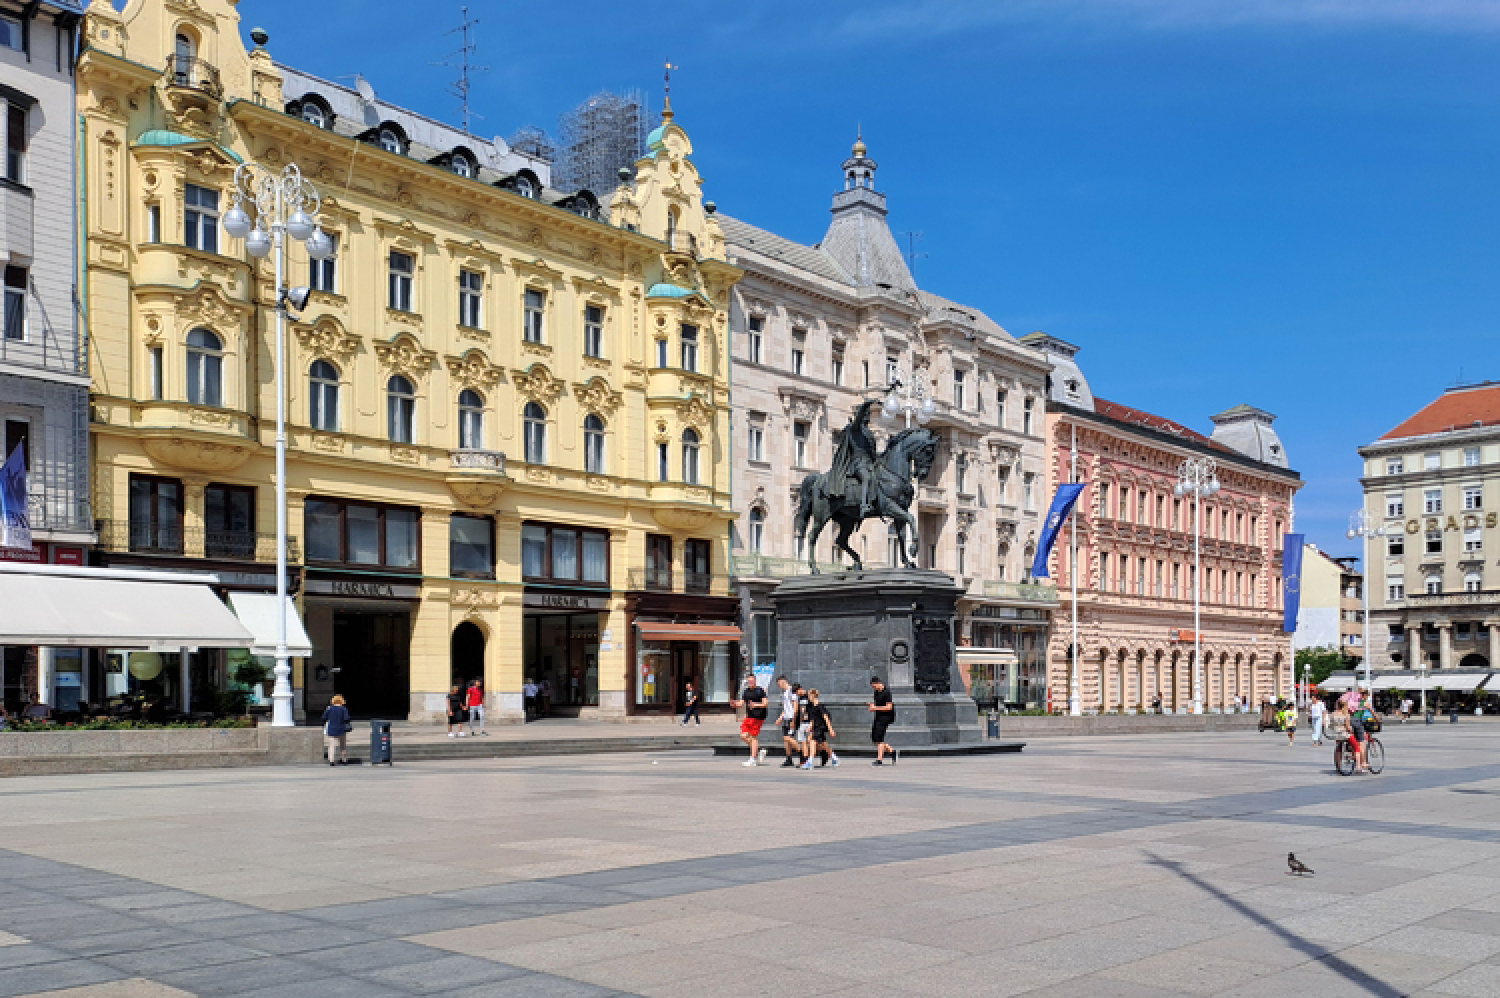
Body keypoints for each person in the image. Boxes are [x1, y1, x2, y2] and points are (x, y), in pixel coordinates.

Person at [731, 675, 769, 766]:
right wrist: (735, 704)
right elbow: (742, 703)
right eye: (749, 681)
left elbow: (765, 704)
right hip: (749, 716)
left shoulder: (760, 691)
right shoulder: (746, 691)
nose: (750, 682)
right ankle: (758, 751)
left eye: (752, 681)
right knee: (743, 735)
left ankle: (753, 759)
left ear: (755, 681)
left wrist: (755, 705)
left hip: (758, 716)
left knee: (753, 737)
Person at [803, 689, 839, 769]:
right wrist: (810, 727)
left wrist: (831, 730)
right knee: (823, 744)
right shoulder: (812, 707)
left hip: (821, 727)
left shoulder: (820, 706)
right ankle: (834, 757)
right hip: (816, 727)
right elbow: (813, 719)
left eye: (809, 696)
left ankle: (810, 761)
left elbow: (826, 718)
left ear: (813, 696)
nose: (809, 698)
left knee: (812, 741)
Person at [869, 676, 897, 765]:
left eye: (874, 686)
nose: (874, 688)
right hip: (879, 716)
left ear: (878, 683)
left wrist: (875, 708)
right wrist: (872, 705)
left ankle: (879, 759)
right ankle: (891, 751)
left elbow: (889, 707)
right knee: (874, 737)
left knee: (879, 737)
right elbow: (877, 703)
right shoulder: (876, 692)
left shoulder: (887, 692)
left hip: (886, 717)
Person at [775, 676, 801, 768]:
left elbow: (795, 706)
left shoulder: (791, 691)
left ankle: (801, 753)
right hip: (786, 718)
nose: (779, 686)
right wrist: (780, 718)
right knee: (787, 740)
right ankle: (789, 758)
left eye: (779, 684)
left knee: (788, 738)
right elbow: (786, 708)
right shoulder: (785, 693)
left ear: (783, 682)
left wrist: (793, 720)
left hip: (791, 718)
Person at [322, 694, 352, 766]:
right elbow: (347, 718)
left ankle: (331, 761)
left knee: (332, 746)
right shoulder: (343, 709)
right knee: (343, 746)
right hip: (341, 729)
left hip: (331, 729)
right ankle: (344, 760)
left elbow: (324, 717)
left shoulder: (330, 708)